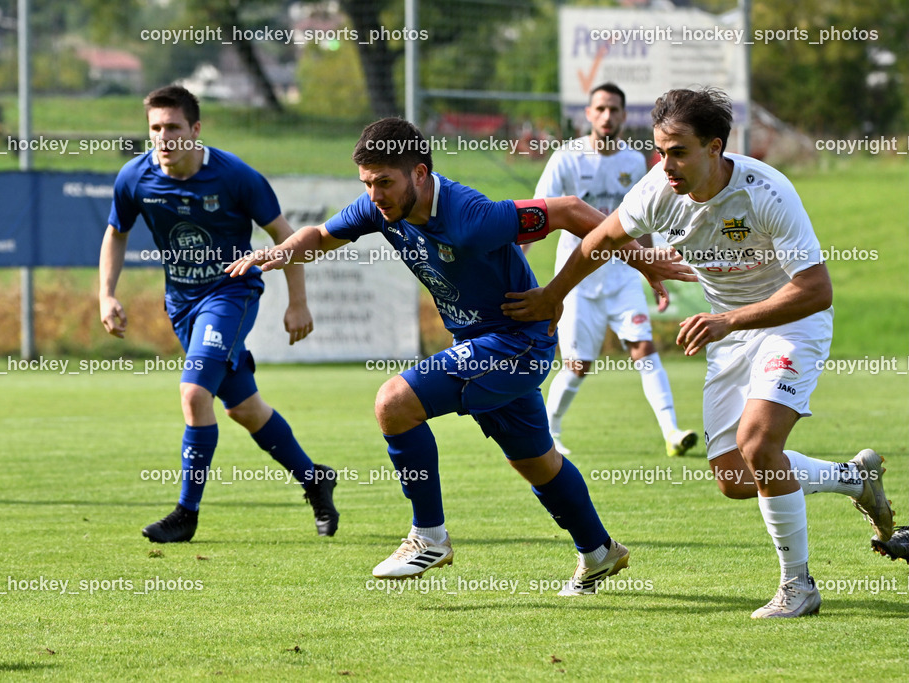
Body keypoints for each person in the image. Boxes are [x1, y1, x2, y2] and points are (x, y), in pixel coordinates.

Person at [228, 117, 693, 593]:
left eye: (385, 182)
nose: (375, 195)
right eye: (367, 183)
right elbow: (321, 236)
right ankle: (599, 552)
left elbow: (571, 209)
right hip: (481, 344)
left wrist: (642, 261)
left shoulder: (473, 216)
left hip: (517, 343)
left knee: (394, 403)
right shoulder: (380, 209)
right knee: (537, 462)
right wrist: (281, 251)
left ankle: (429, 536)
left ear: (421, 175)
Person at [502, 87, 894, 617]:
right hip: (727, 333)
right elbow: (600, 240)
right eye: (660, 151)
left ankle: (798, 587)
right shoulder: (657, 189)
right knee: (736, 477)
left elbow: (816, 289)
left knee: (758, 443)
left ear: (715, 147)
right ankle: (853, 478)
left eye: (679, 152)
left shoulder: (766, 192)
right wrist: (553, 296)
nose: (666, 165)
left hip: (791, 323)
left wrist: (727, 318)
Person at [99, 85, 339, 542]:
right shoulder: (135, 177)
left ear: (196, 129)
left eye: (172, 128)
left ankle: (185, 514)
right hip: (182, 304)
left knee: (193, 396)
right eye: (155, 129)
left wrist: (298, 301)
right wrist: (105, 295)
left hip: (233, 294)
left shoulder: (235, 177)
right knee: (245, 409)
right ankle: (314, 479)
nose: (163, 138)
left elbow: (287, 237)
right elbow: (116, 233)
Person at [533, 83, 697, 457]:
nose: (607, 116)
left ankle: (671, 432)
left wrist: (651, 269)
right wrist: (516, 255)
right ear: (589, 115)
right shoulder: (566, 158)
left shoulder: (634, 162)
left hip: (622, 277)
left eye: (614, 110)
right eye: (600, 109)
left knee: (643, 347)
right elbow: (539, 214)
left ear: (624, 117)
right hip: (578, 281)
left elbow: (647, 221)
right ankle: (548, 433)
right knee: (578, 365)